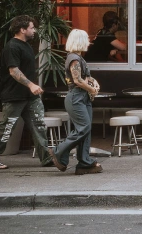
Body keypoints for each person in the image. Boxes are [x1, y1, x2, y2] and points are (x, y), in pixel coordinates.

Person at [0, 15, 53, 170]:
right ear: (22, 30)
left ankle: (46, 157)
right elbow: (14, 71)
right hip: (15, 95)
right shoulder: (12, 47)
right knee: (7, 126)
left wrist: (31, 89)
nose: (34, 30)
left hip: (30, 97)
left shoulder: (26, 45)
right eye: (31, 28)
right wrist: (31, 85)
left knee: (39, 125)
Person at [49, 29, 101, 175]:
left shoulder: (78, 58)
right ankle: (58, 151)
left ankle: (84, 162)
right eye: (86, 39)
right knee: (83, 128)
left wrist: (94, 83)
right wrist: (92, 90)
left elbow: (86, 78)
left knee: (86, 129)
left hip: (82, 97)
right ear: (80, 41)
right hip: (76, 97)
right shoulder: (74, 59)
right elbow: (77, 80)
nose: (88, 42)